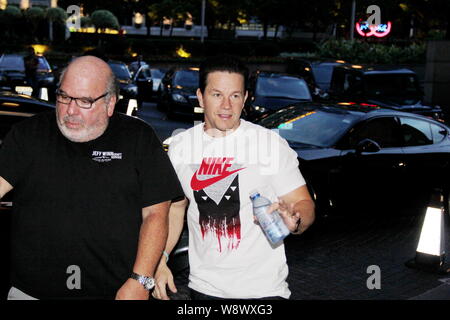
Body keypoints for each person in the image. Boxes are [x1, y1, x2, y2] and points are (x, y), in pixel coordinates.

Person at [0, 56, 183, 300]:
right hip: (31, 292)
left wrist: (140, 281)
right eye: (64, 97)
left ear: (110, 103)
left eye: (85, 101)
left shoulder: (138, 138)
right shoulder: (27, 135)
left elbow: (156, 214)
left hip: (115, 292)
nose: (70, 110)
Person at [153, 55, 315, 300]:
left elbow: (304, 204)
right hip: (203, 288)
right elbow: (176, 209)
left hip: (263, 291)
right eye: (217, 94)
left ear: (245, 99)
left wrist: (296, 220)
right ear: (200, 97)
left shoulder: (269, 144)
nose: (226, 105)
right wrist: (161, 259)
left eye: (235, 95)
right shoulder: (180, 146)